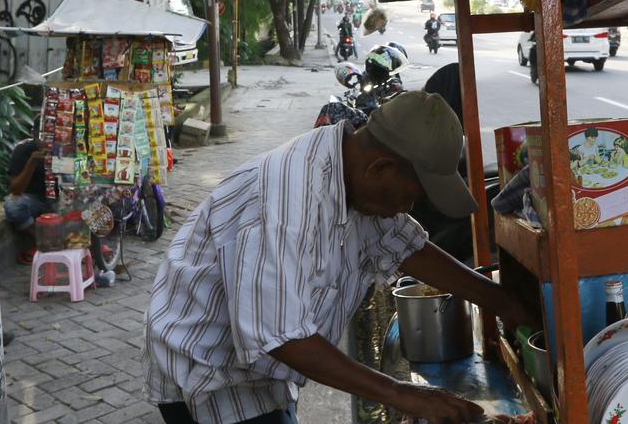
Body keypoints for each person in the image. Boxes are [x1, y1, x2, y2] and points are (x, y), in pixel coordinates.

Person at [145, 92, 535, 424]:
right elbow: (283, 336)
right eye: (410, 195)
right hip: (210, 371)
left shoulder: (351, 171)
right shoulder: (288, 204)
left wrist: (501, 301)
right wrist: (402, 394)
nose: (408, 207)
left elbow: (406, 245)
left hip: (261, 371)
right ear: (380, 167)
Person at [3, 118, 56, 262]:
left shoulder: (65, 148)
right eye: (42, 137)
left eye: (52, 136)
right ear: (33, 134)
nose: (47, 142)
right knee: (12, 204)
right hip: (36, 201)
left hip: (62, 201)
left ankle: (89, 244)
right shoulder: (23, 149)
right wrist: (32, 162)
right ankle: (45, 242)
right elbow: (16, 190)